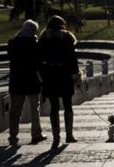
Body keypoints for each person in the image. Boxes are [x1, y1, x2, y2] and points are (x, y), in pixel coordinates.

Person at [39, 15, 81, 149]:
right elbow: (73, 60)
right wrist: (76, 76)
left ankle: (56, 137)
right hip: (65, 76)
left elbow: (39, 61)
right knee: (68, 106)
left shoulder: (43, 39)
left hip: (50, 77)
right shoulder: (68, 39)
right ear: (63, 25)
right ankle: (69, 135)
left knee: (54, 108)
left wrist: (43, 75)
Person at [7, 19, 47, 146]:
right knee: (34, 109)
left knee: (15, 110)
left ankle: (13, 136)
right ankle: (36, 134)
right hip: (32, 81)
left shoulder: (13, 43)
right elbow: (39, 64)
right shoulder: (35, 44)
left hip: (16, 81)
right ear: (33, 31)